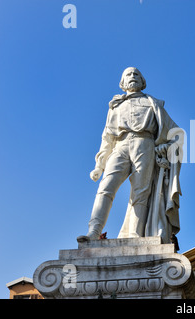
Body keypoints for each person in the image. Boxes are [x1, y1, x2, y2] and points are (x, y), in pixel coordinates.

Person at [77, 67, 183, 244]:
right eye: (128, 74)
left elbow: (177, 133)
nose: (133, 77)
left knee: (141, 192)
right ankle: (93, 232)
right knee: (106, 187)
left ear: (142, 82)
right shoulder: (115, 106)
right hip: (120, 144)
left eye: (136, 74)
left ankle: (134, 234)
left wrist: (165, 146)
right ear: (122, 83)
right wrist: (99, 165)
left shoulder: (153, 103)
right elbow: (107, 137)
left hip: (145, 144)